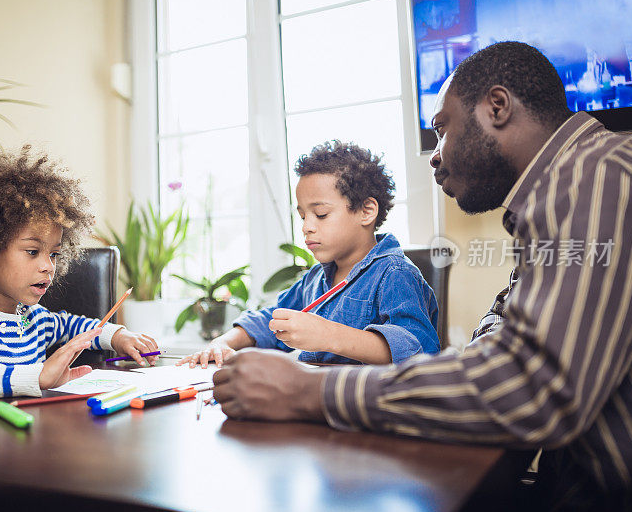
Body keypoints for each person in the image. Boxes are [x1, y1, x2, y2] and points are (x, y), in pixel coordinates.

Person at [210, 42, 632, 512]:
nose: (434, 156)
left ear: (497, 108)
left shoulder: (596, 179)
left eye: (442, 131)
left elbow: (528, 385)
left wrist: (306, 391)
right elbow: (504, 339)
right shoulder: (572, 190)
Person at [0, 147, 159, 400]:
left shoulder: (35, 319)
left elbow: (78, 327)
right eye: (32, 251)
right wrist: (35, 376)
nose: (48, 266)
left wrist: (117, 335)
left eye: (54, 254)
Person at [178, 141, 440, 368]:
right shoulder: (314, 278)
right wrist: (222, 342)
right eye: (303, 216)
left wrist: (329, 335)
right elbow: (270, 319)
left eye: (321, 214)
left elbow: (419, 352)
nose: (307, 227)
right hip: (313, 403)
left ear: (366, 211)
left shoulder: (395, 274)